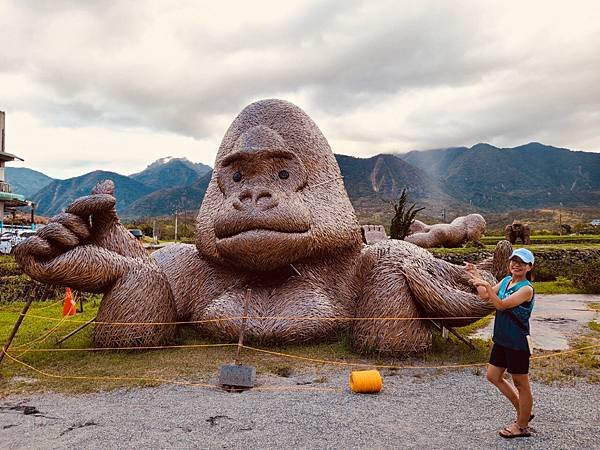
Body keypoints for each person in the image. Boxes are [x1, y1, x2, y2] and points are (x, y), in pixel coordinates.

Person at [465, 248, 535, 438]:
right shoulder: (505, 281)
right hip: (502, 340)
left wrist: (488, 286)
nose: (516, 265)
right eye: (514, 261)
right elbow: (483, 296)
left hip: (517, 342)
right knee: (493, 376)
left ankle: (521, 426)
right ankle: (524, 413)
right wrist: (475, 274)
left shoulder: (526, 289)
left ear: (529, 267)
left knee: (521, 384)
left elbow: (501, 305)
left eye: (522, 262)